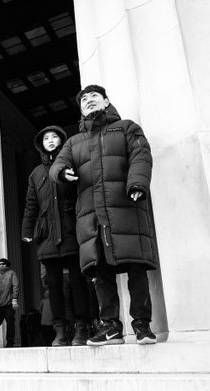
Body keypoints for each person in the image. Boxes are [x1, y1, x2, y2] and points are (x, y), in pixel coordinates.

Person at [49, 84, 158, 346]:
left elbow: (141, 155)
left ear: (106, 101)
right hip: (91, 216)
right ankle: (110, 327)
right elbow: (57, 166)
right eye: (84, 99)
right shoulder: (75, 142)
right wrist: (63, 173)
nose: (88, 101)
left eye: (94, 97)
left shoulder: (126, 128)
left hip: (125, 208)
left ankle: (142, 325)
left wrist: (137, 184)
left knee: (136, 267)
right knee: (101, 271)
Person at [22, 125, 98, 346]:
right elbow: (30, 204)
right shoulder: (35, 174)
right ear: (41, 144)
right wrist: (27, 231)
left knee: (77, 281)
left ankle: (82, 327)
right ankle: (60, 330)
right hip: (47, 234)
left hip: (71, 229)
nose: (51, 140)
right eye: (46, 138)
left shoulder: (70, 164)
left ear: (61, 141)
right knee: (52, 285)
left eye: (55, 136)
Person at [0, 258, 19, 348]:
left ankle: (10, 343)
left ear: (7, 265)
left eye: (3, 264)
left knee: (10, 324)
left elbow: (15, 286)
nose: (1, 265)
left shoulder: (12, 273)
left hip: (9, 304)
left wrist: (14, 300)